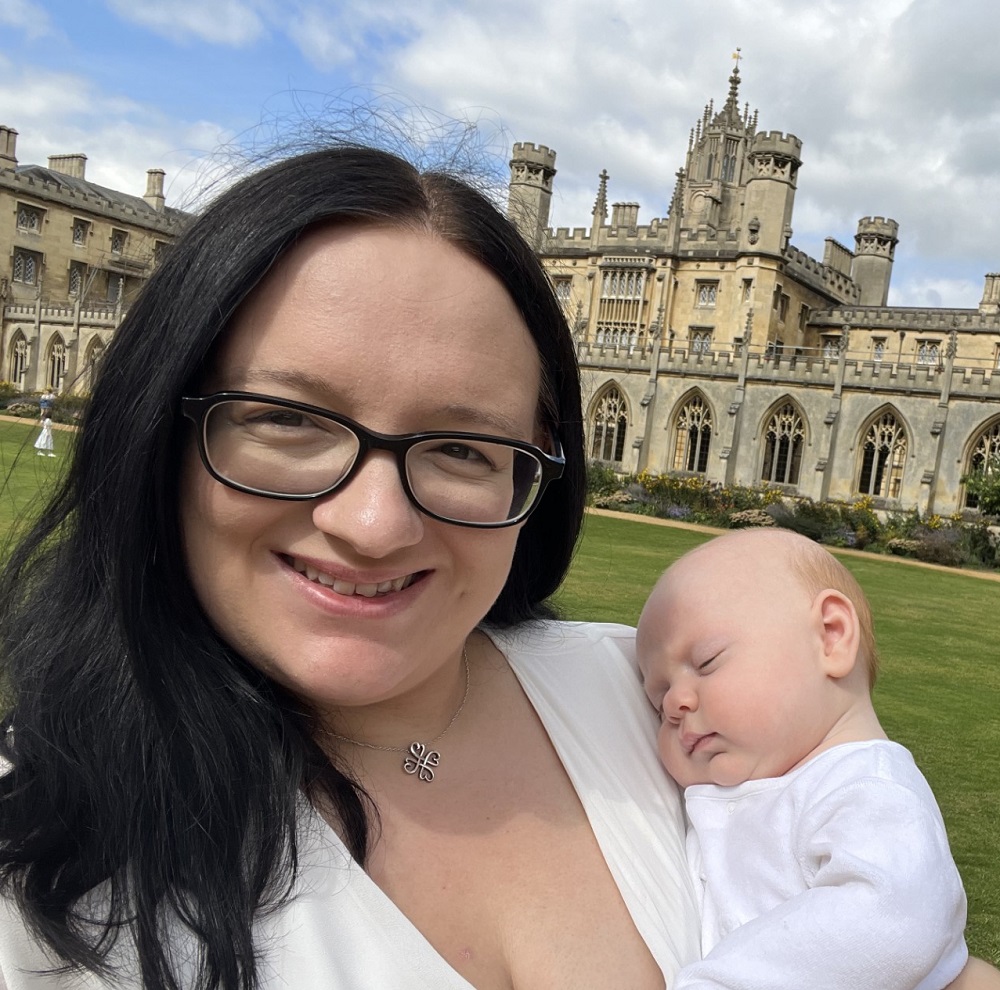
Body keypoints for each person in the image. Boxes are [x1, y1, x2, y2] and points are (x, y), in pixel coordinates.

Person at [0, 146, 995, 990]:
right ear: (158, 416)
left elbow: (904, 924)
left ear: (543, 464)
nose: (374, 523)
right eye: (289, 420)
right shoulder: (39, 849)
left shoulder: (655, 693)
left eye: (464, 447)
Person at [636, 528, 971, 989]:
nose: (675, 704)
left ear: (831, 637)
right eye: (657, 701)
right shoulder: (753, 790)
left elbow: (896, 915)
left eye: (708, 661)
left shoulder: (866, 787)